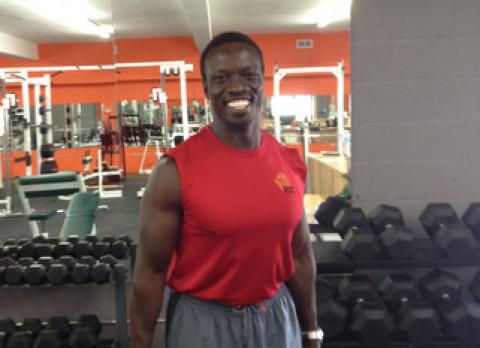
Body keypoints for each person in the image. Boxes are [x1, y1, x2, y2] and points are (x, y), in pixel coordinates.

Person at [130, 31, 321, 348]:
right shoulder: (173, 172)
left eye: (249, 75)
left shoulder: (289, 163)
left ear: (263, 81)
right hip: (204, 323)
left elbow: (300, 255)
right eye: (221, 78)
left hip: (277, 315)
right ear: (206, 88)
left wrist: (311, 330)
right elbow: (150, 272)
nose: (236, 87)